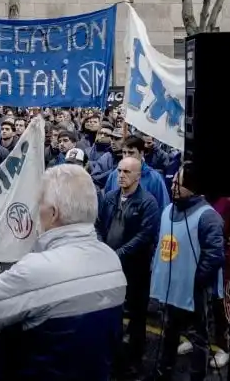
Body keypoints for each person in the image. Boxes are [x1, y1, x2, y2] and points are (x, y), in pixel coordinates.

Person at [0, 164, 126, 380]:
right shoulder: (111, 259)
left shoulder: (36, 270)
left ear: (53, 214)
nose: (37, 211)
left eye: (39, 205)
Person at [150, 165, 225, 381]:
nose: (172, 186)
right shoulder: (168, 210)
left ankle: (196, 377)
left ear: (193, 187)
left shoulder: (208, 217)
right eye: (173, 182)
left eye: (178, 183)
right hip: (171, 289)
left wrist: (194, 282)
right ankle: (163, 372)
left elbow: (214, 256)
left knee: (198, 338)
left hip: (194, 292)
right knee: (169, 333)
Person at [96, 155, 159, 377]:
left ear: (138, 176)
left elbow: (145, 235)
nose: (121, 175)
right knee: (110, 310)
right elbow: (99, 224)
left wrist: (119, 254)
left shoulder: (148, 202)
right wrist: (103, 248)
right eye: (120, 171)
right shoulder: (110, 197)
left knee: (137, 314)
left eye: (126, 172)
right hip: (111, 265)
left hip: (136, 269)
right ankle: (113, 355)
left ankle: (134, 360)